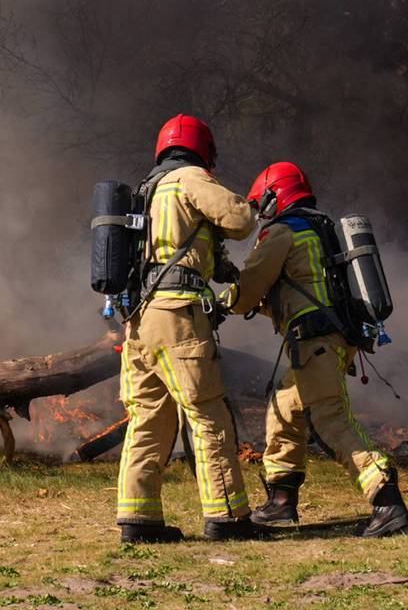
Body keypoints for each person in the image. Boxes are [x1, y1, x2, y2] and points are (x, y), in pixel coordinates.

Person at [222, 161, 408, 537]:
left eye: (263, 203)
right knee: (284, 409)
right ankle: (280, 501)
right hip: (330, 340)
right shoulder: (318, 228)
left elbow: (250, 288)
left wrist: (224, 299)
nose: (262, 213)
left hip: (315, 342)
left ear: (276, 195)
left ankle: (386, 499)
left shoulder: (281, 232)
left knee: (332, 421)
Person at [115, 114, 266, 543]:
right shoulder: (188, 178)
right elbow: (239, 220)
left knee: (148, 419)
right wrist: (253, 208)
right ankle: (228, 517)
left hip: (140, 320)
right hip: (177, 316)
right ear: (203, 150)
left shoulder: (147, 191)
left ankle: (138, 521)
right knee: (208, 415)